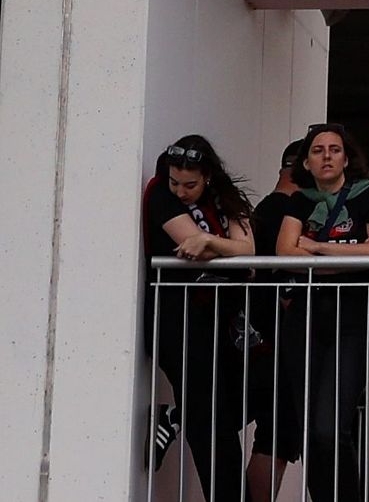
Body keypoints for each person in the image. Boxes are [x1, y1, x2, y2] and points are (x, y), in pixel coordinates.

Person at [272, 122, 369, 502]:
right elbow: (284, 253)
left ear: (347, 158)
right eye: (317, 150)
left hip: (354, 316)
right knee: (310, 428)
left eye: (334, 149)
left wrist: (315, 249)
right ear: (306, 163)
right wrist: (351, 253)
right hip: (305, 319)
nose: (326, 155)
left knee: (331, 426)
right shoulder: (299, 200)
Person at [147, 136, 262, 502]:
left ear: (208, 177)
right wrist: (218, 245)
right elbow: (189, 245)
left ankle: (176, 416)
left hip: (222, 321)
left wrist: (211, 243)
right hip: (180, 317)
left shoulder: (226, 199)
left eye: (190, 185)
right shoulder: (158, 192)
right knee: (210, 421)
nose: (181, 192)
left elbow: (247, 252)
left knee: (257, 393)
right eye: (175, 183)